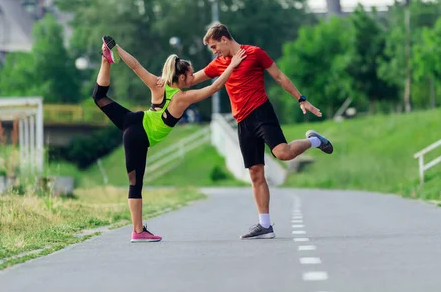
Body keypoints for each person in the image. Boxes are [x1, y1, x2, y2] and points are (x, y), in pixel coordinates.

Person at [93, 36, 246, 242]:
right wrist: (233, 66)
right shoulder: (182, 97)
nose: (193, 78)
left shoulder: (159, 85)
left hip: (132, 121)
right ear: (181, 77)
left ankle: (106, 60)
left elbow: (136, 66)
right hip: (139, 135)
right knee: (135, 184)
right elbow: (213, 88)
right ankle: (138, 232)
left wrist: (117, 48)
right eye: (191, 75)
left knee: (99, 97)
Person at [192, 23, 333, 240]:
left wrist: (301, 99)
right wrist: (164, 80)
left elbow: (279, 77)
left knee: (283, 154)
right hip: (242, 122)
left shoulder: (254, 53)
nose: (214, 52)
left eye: (213, 46)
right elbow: (191, 80)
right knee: (255, 173)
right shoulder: (219, 64)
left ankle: (314, 141)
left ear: (224, 39)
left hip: (261, 113)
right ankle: (265, 225)